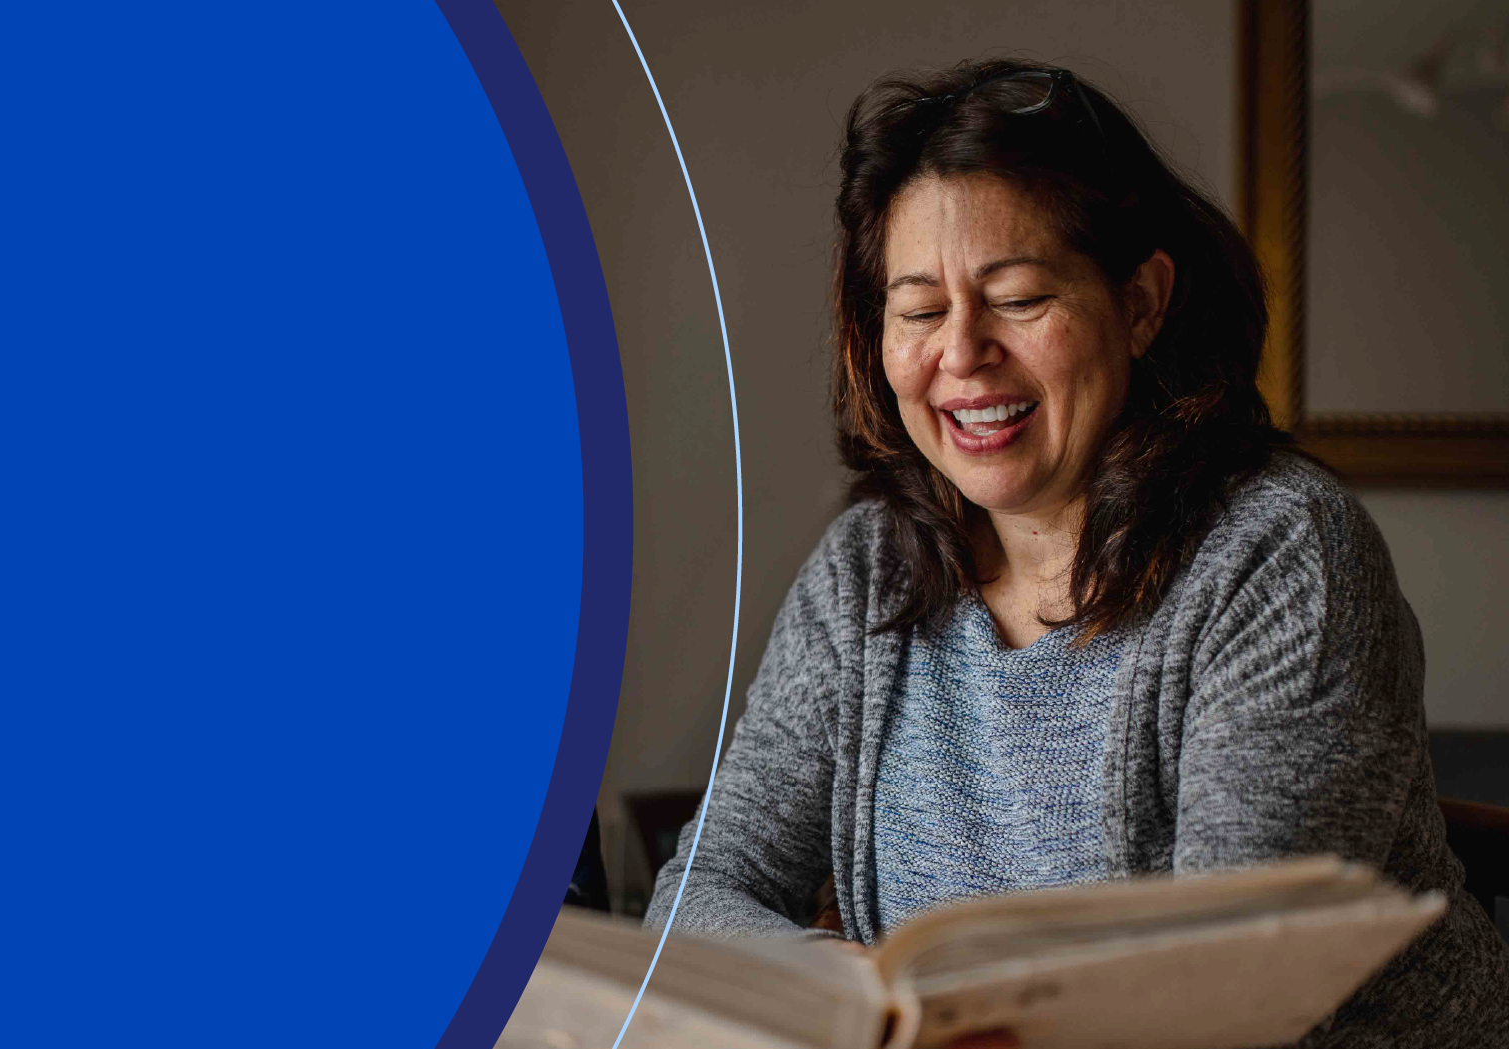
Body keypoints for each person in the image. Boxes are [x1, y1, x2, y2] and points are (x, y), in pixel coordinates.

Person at [643, 60, 1509, 1047]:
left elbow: (1238, 996)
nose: (962, 353)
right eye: (920, 310)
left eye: (1015, 298)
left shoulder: (1278, 554)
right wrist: (842, 986)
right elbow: (699, 895)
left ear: (1140, 302)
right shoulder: (868, 569)